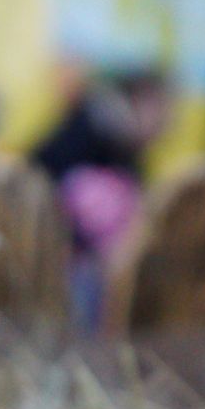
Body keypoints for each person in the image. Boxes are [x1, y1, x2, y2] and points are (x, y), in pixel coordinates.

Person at [31, 66, 171, 325]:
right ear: (138, 100)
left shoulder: (121, 145)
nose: (168, 121)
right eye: (162, 108)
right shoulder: (94, 136)